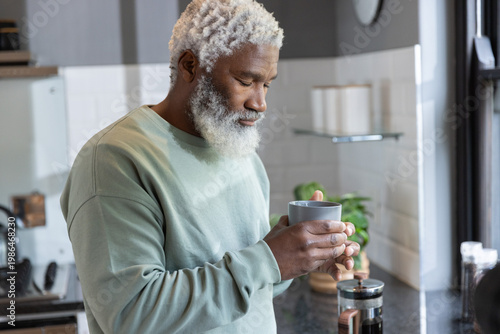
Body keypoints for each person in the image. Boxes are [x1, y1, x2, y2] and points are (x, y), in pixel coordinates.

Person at [60, 0, 359, 333]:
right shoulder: (113, 160)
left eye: (267, 84)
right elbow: (132, 314)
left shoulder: (240, 153)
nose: (260, 103)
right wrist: (268, 259)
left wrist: (298, 257)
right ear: (190, 65)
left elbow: (249, 289)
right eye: (246, 81)